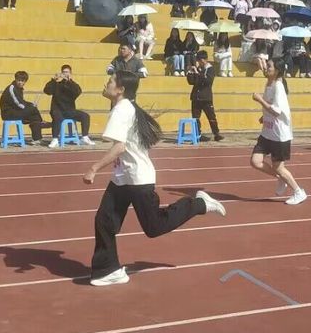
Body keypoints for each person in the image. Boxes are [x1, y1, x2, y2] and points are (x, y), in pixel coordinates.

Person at [82, 70, 226, 286]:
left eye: (110, 81)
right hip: (123, 178)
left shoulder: (122, 109)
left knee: (154, 227)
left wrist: (94, 168)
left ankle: (198, 204)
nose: (106, 83)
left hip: (138, 179)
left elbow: (120, 147)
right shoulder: (125, 107)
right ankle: (108, 270)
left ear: (120, 89)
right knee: (104, 220)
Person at [250, 58, 307, 205]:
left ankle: (298, 191)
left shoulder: (279, 87)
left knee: (278, 167)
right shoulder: (269, 83)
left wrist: (260, 100)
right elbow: (272, 107)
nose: (266, 68)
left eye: (269, 66)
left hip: (279, 135)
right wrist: (264, 116)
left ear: (276, 71)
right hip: (267, 132)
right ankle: (281, 178)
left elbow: (276, 111)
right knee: (255, 161)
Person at [43, 64, 94, 148]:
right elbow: (47, 91)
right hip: (57, 110)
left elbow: (77, 92)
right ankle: (55, 139)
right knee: (56, 117)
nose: (65, 74)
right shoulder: (56, 84)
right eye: (64, 72)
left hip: (69, 110)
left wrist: (70, 82)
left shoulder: (72, 84)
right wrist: (53, 80)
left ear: (70, 73)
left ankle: (84, 137)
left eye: (67, 72)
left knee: (85, 116)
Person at [0, 71, 50, 145]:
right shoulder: (12, 88)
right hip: (8, 113)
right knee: (33, 110)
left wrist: (31, 104)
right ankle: (41, 123)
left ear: (25, 81)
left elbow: (22, 101)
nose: (20, 82)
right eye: (18, 80)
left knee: (34, 115)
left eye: (22, 81)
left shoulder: (19, 89)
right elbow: (18, 103)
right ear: (15, 79)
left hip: (15, 111)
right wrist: (30, 107)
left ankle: (37, 138)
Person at [187, 50, 224, 142]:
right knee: (195, 118)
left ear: (204, 60)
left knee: (211, 116)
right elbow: (191, 82)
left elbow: (208, 81)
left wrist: (197, 73)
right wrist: (190, 73)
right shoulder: (197, 69)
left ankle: (216, 133)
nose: (199, 63)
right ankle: (197, 134)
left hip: (206, 97)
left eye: (200, 60)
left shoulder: (210, 69)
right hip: (196, 97)